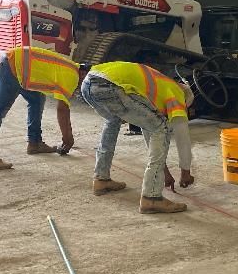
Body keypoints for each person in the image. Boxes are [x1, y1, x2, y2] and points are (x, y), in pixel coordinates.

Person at [80, 61, 194, 214]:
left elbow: (148, 128)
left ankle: (101, 179)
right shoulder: (177, 94)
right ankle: (152, 198)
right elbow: (182, 137)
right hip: (112, 87)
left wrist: (164, 173)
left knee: (112, 122)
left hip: (89, 83)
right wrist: (185, 172)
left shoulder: (158, 84)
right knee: (162, 128)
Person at [0, 46, 86, 170]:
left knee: (37, 99)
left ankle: (34, 143)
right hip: (12, 66)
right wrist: (68, 138)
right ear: (84, 74)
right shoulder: (72, 77)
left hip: (20, 66)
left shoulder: (72, 67)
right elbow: (62, 110)